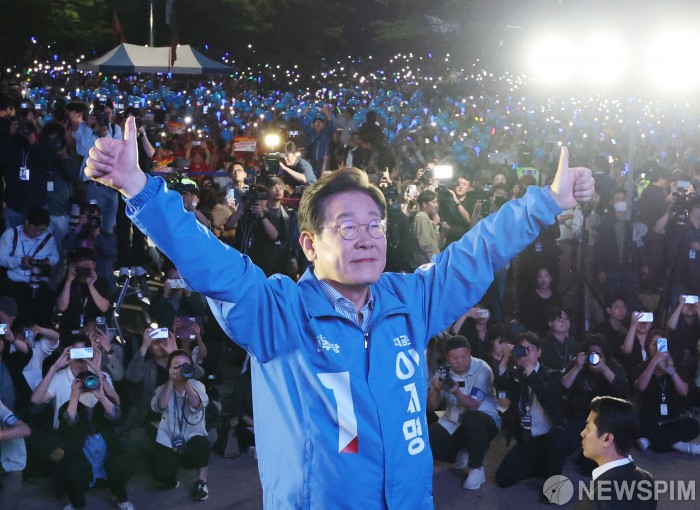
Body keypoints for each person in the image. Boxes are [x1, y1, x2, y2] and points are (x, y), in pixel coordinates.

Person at [85, 117, 594, 509]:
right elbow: (215, 266)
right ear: (309, 244)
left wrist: (547, 202)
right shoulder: (281, 313)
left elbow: (475, 253)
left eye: (375, 225)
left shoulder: (409, 300)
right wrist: (139, 189)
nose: (367, 238)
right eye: (347, 227)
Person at [427, 336, 500, 490]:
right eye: (455, 358)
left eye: (464, 356)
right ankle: (460, 454)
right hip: (454, 420)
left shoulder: (482, 369)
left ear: (470, 352)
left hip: (483, 420)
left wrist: (457, 392)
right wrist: (436, 390)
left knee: (472, 418)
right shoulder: (443, 371)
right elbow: (431, 407)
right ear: (447, 357)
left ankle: (477, 469)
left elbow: (473, 405)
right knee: (426, 442)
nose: (460, 361)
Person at [575, 396, 656, 510]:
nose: (582, 433)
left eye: (588, 428)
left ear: (607, 439)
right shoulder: (647, 479)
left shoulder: (597, 502)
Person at [150, 350, 210, 501]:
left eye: (185, 365)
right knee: (159, 472)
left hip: (193, 435)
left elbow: (197, 404)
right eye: (176, 365)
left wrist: (185, 383)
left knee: (202, 445)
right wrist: (171, 380)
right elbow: (160, 405)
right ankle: (171, 478)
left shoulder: (197, 386)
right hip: (169, 437)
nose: (181, 368)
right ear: (170, 368)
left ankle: (202, 482)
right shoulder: (163, 388)